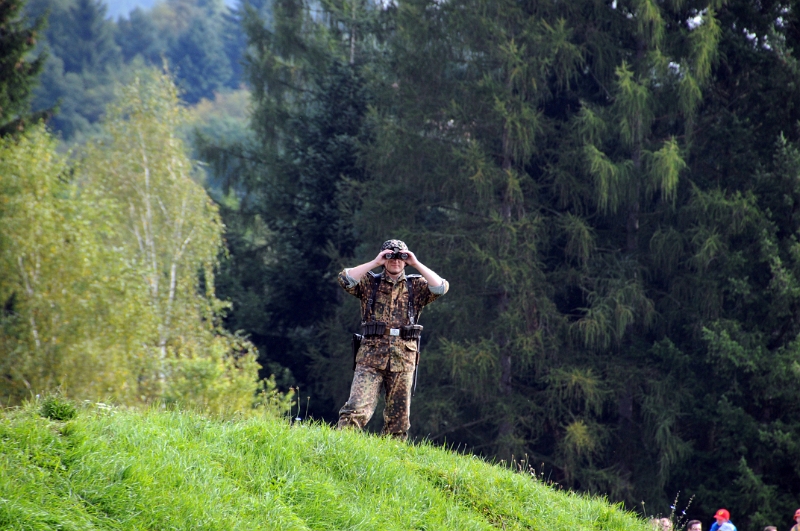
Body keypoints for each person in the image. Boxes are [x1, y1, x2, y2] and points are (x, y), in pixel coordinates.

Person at [336, 239, 449, 441]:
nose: (395, 260)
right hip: (370, 357)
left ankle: (392, 457)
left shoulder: (416, 286)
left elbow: (440, 287)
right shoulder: (370, 283)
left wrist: (415, 262)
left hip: (403, 358)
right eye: (390, 255)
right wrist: (374, 262)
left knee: (399, 420)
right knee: (356, 409)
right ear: (383, 258)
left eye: (400, 257)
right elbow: (345, 279)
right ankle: (341, 447)